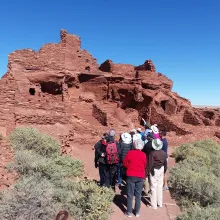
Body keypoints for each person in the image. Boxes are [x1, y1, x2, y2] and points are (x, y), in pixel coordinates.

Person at [123, 138, 147, 218]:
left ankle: (129, 212)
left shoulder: (130, 153)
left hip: (131, 175)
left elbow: (125, 163)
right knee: (138, 194)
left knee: (130, 194)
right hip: (140, 175)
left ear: (134, 145)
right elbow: (144, 165)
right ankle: (137, 212)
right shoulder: (143, 155)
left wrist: (129, 167)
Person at [148, 139, 167, 209]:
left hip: (154, 170)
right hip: (161, 169)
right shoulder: (164, 153)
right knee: (159, 187)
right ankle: (160, 203)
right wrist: (164, 170)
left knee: (153, 187)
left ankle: (154, 205)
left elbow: (150, 164)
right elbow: (165, 163)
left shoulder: (152, 153)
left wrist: (147, 172)